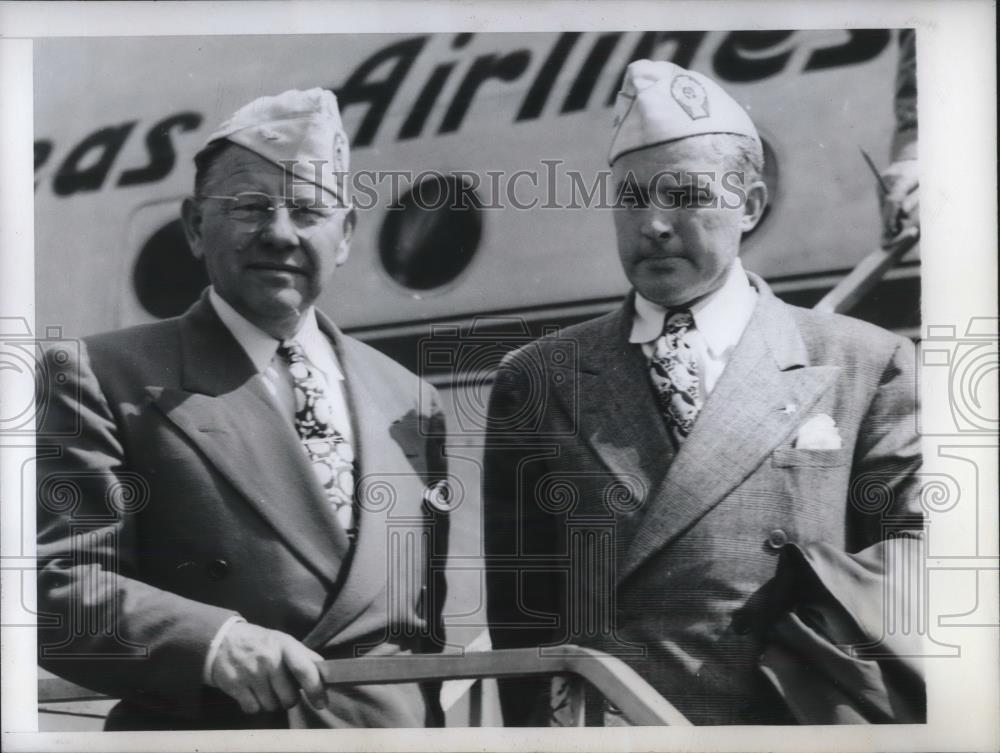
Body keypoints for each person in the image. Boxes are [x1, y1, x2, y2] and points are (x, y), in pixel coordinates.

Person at [484, 61, 923, 726]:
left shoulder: (863, 361)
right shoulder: (539, 377)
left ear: (748, 204)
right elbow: (523, 618)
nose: (654, 224)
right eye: (632, 199)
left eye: (684, 195)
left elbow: (916, 560)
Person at [36, 89, 450, 730]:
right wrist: (213, 643)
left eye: (310, 210)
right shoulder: (103, 375)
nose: (281, 233)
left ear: (345, 236)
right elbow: (55, 590)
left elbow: (422, 627)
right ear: (196, 226)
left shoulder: (408, 398)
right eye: (251, 206)